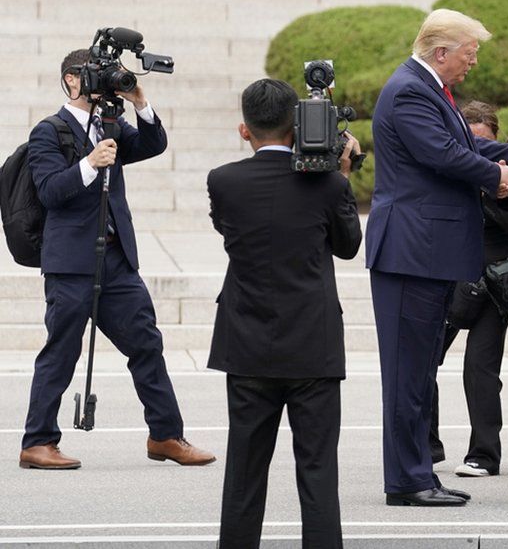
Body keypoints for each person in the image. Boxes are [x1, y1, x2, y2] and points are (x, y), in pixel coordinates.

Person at [366, 9, 508, 507]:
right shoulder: (411, 90)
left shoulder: (429, 89)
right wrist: (497, 177)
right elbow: (443, 154)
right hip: (410, 252)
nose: (473, 62)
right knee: (407, 373)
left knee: (418, 374)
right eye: (469, 52)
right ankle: (408, 480)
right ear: (442, 52)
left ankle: (419, 474)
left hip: (425, 252)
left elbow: (470, 145)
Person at [20, 49, 214, 470]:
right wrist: (90, 163)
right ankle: (38, 441)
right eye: (93, 76)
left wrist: (140, 102)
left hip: (116, 260)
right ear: (72, 81)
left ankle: (165, 435)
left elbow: (153, 144)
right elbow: (50, 191)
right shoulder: (48, 132)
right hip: (71, 263)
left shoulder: (111, 124)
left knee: (147, 344)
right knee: (61, 351)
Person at [207, 78, 362, 548]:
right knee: (317, 471)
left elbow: (226, 228)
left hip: (247, 342)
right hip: (313, 346)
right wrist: (342, 173)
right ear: (297, 127)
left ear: (243, 129)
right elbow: (349, 246)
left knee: (244, 471)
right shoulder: (329, 183)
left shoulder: (223, 180)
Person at [427, 101, 508, 478]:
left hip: (491, 286)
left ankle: (484, 454)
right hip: (447, 280)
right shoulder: (443, 169)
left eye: (484, 144)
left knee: (480, 370)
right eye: (469, 143)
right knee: (422, 362)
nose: (475, 152)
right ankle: (426, 446)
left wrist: (492, 188)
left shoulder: (507, 178)